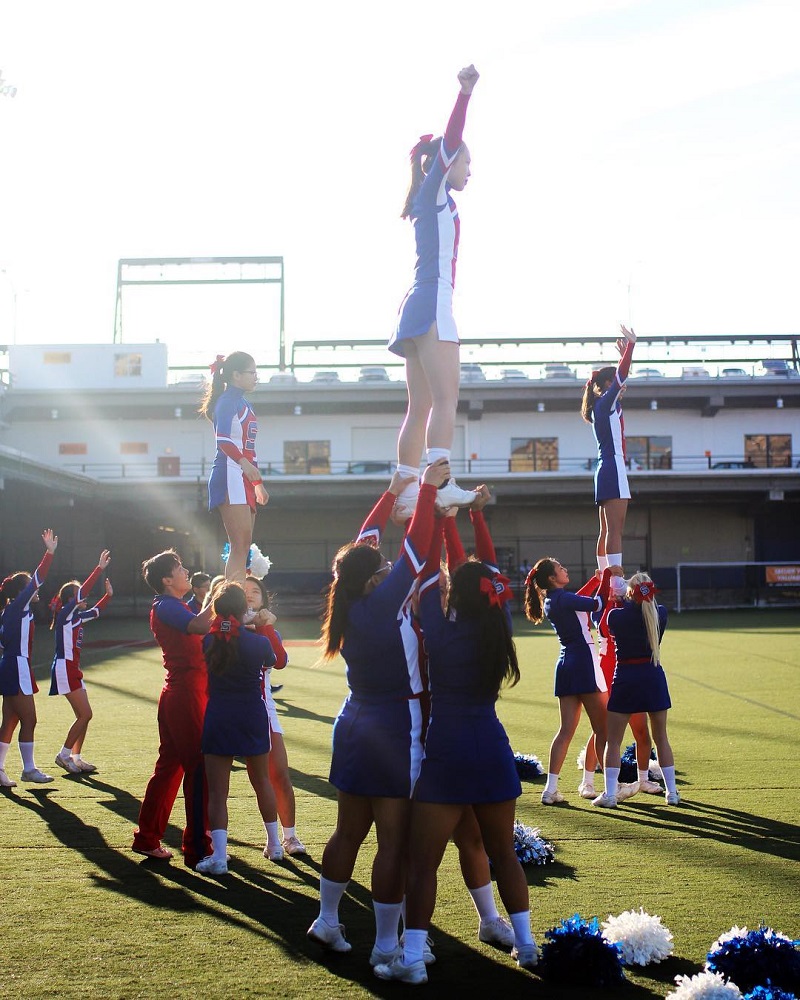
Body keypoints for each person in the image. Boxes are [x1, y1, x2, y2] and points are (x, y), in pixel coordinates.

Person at [375, 498, 537, 984]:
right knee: (502, 853)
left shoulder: (439, 634)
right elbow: (483, 570)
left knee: (423, 864)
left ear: (456, 596)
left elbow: (424, 572)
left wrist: (434, 520)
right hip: (492, 749)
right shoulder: (500, 626)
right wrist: (466, 518)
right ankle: (527, 945)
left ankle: (412, 958)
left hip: (445, 752)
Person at [307, 460, 445, 959]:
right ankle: (386, 944)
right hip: (394, 726)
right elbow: (414, 550)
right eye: (382, 571)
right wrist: (426, 491)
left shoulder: (350, 599)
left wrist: (390, 494)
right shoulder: (382, 601)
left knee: (348, 829)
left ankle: (326, 920)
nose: (387, 567)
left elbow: (364, 545)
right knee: (393, 841)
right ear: (372, 583)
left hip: (355, 721)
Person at [389, 65, 481, 522]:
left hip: (415, 302)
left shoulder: (430, 198)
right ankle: (441, 484)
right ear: (446, 164)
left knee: (420, 404)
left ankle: (407, 493)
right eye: (467, 162)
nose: (470, 170)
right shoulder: (436, 189)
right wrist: (463, 95)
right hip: (433, 300)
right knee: (445, 401)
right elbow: (450, 138)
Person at [132, 549, 213, 866]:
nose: (185, 570)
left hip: (182, 694)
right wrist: (218, 596)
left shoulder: (175, 605)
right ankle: (198, 848)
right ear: (167, 579)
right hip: (186, 695)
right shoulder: (166, 606)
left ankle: (147, 839)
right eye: (179, 568)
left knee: (169, 770)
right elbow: (197, 626)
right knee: (199, 770)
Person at [195, 581, 279, 874]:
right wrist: (260, 625)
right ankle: (275, 844)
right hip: (252, 714)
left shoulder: (210, 640)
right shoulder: (259, 642)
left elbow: (224, 634)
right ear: (244, 609)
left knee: (218, 792)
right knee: (262, 782)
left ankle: (219, 857)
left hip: (219, 715)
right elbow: (274, 662)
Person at [524, 558, 615, 805]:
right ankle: (610, 788)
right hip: (584, 662)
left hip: (565, 665)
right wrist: (607, 576)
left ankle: (550, 789)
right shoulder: (563, 599)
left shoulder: (554, 599)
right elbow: (597, 604)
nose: (565, 569)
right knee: (603, 729)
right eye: (561, 568)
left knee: (565, 731)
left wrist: (595, 581)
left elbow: (578, 600)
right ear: (553, 578)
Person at [593, 573, 680, 807]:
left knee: (614, 741)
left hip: (626, 678)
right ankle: (672, 793)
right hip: (653, 676)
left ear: (629, 593)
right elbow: (648, 609)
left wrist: (618, 599)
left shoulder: (616, 616)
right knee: (661, 738)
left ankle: (610, 794)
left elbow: (603, 625)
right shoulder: (660, 613)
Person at [242, 574, 306, 857]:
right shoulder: (224, 628)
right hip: (225, 708)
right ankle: (211, 840)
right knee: (212, 779)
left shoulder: (268, 631)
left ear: (265, 599)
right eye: (243, 591)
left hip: (263, 711)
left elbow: (278, 661)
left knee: (277, 774)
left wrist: (265, 627)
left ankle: (288, 838)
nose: (250, 594)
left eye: (256, 591)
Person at [200, 352, 269, 584]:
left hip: (243, 475)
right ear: (236, 375)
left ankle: (239, 601)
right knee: (239, 544)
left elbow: (249, 449)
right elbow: (223, 440)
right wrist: (244, 464)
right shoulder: (227, 401)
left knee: (244, 544)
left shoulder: (243, 402)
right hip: (229, 472)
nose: (256, 377)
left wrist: (258, 483)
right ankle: (234, 602)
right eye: (252, 373)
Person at [0, 529, 58, 786]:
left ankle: (0, 770)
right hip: (18, 665)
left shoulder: (8, 611)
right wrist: (49, 553)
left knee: (10, 720)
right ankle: (29, 769)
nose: (38, 591)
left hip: (10, 665)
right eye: (32, 589)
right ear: (22, 591)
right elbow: (38, 578)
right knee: (30, 720)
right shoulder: (17, 606)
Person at [49, 549, 113, 774]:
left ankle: (76, 757)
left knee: (83, 715)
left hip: (73, 669)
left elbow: (96, 611)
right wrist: (98, 569)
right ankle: (63, 755)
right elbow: (83, 591)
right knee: (85, 714)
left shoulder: (77, 617)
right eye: (79, 595)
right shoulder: (66, 614)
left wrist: (108, 596)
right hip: (64, 668)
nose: (84, 597)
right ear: (70, 600)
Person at [581, 324, 636, 570]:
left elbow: (621, 375)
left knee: (606, 530)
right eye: (616, 384)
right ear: (606, 384)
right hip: (614, 466)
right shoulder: (606, 403)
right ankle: (614, 582)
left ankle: (605, 576)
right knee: (616, 530)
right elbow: (621, 376)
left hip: (604, 468)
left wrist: (623, 357)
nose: (623, 387)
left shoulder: (599, 407)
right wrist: (631, 346)